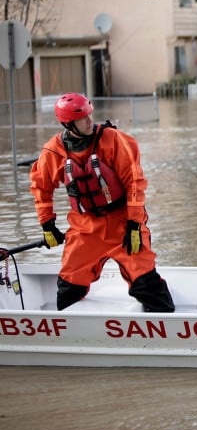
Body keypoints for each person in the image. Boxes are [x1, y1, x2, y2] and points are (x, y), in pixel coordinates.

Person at [29, 93, 175, 312]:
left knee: (146, 284)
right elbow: (41, 186)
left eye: (90, 115)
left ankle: (167, 328)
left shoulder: (114, 140)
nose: (90, 121)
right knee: (68, 288)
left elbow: (134, 182)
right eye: (83, 119)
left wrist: (134, 224)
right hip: (85, 229)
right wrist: (47, 224)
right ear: (68, 124)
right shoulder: (54, 151)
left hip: (123, 225)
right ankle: (71, 336)